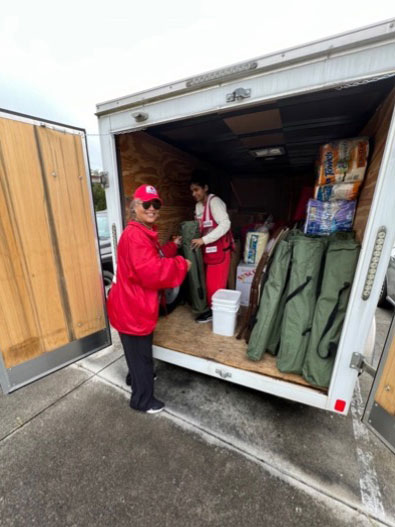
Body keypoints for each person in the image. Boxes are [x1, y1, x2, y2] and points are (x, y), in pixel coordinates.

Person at [107, 184, 191, 414]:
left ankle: (135, 379)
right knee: (141, 356)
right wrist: (181, 264)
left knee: (136, 354)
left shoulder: (143, 232)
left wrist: (173, 250)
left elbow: (153, 261)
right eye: (146, 204)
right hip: (131, 307)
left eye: (156, 204)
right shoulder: (136, 236)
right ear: (135, 207)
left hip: (130, 304)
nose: (152, 208)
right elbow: (151, 272)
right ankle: (142, 401)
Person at [190, 170, 232, 323]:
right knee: (209, 284)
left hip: (220, 251)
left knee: (216, 285)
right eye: (192, 191)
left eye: (197, 189)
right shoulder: (198, 207)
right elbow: (199, 226)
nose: (194, 193)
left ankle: (216, 314)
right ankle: (213, 310)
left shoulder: (215, 202)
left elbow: (226, 224)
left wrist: (204, 240)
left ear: (205, 188)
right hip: (208, 252)